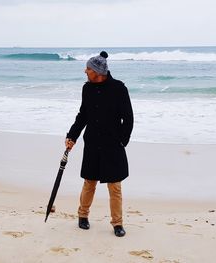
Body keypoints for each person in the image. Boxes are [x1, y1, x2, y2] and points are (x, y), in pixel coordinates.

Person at [65, 51, 133, 237]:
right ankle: (82, 215)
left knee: (115, 186)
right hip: (93, 142)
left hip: (113, 144)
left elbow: (128, 119)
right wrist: (72, 136)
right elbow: (83, 116)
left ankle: (117, 223)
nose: (85, 71)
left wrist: (122, 141)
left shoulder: (119, 89)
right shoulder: (87, 89)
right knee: (89, 182)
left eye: (88, 68)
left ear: (97, 71)